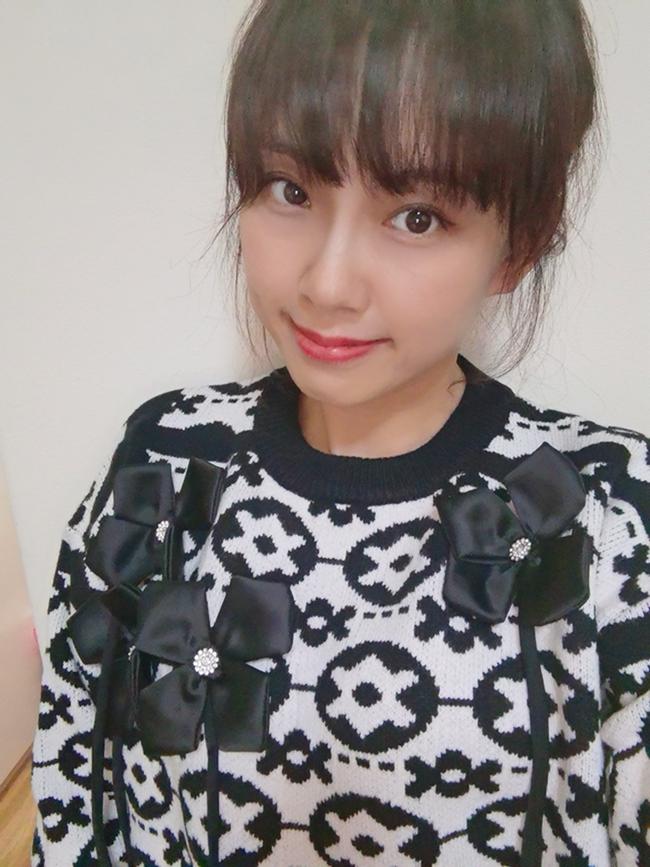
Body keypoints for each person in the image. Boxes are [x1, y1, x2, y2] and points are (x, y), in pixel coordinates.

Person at [31, 1, 648, 865]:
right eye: (291, 190)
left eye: (417, 216)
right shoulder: (164, 467)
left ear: (520, 243)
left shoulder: (607, 516)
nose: (326, 283)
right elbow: (79, 789)